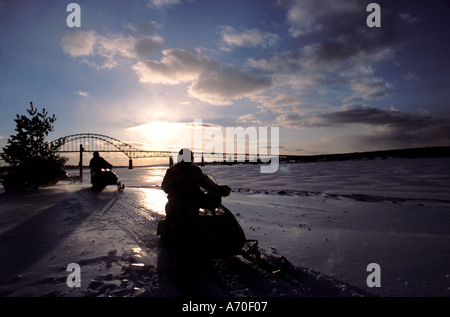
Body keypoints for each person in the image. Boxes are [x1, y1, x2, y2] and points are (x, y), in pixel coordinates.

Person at [161, 148, 231, 223]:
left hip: (195, 199)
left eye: (190, 158)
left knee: (223, 213)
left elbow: (205, 181)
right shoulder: (173, 171)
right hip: (179, 200)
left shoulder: (195, 170)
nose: (188, 161)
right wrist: (173, 187)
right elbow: (165, 185)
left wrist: (219, 189)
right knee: (175, 219)